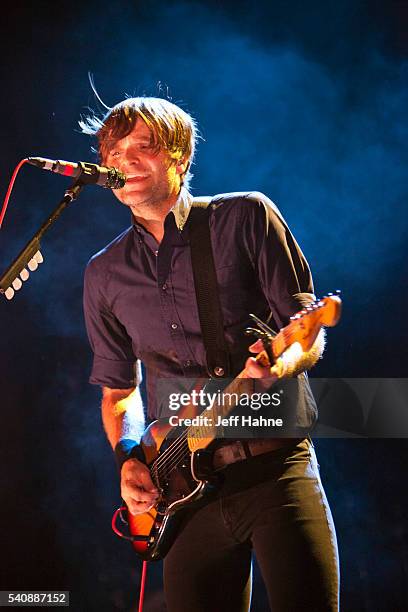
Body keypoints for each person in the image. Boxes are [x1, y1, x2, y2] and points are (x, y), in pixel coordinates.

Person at [81, 96, 340, 611]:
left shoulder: (245, 217)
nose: (124, 160)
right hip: (183, 492)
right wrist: (129, 457)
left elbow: (307, 333)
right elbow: (119, 390)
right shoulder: (103, 273)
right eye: (114, 150)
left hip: (276, 468)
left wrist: (280, 365)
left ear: (179, 156)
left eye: (143, 147)